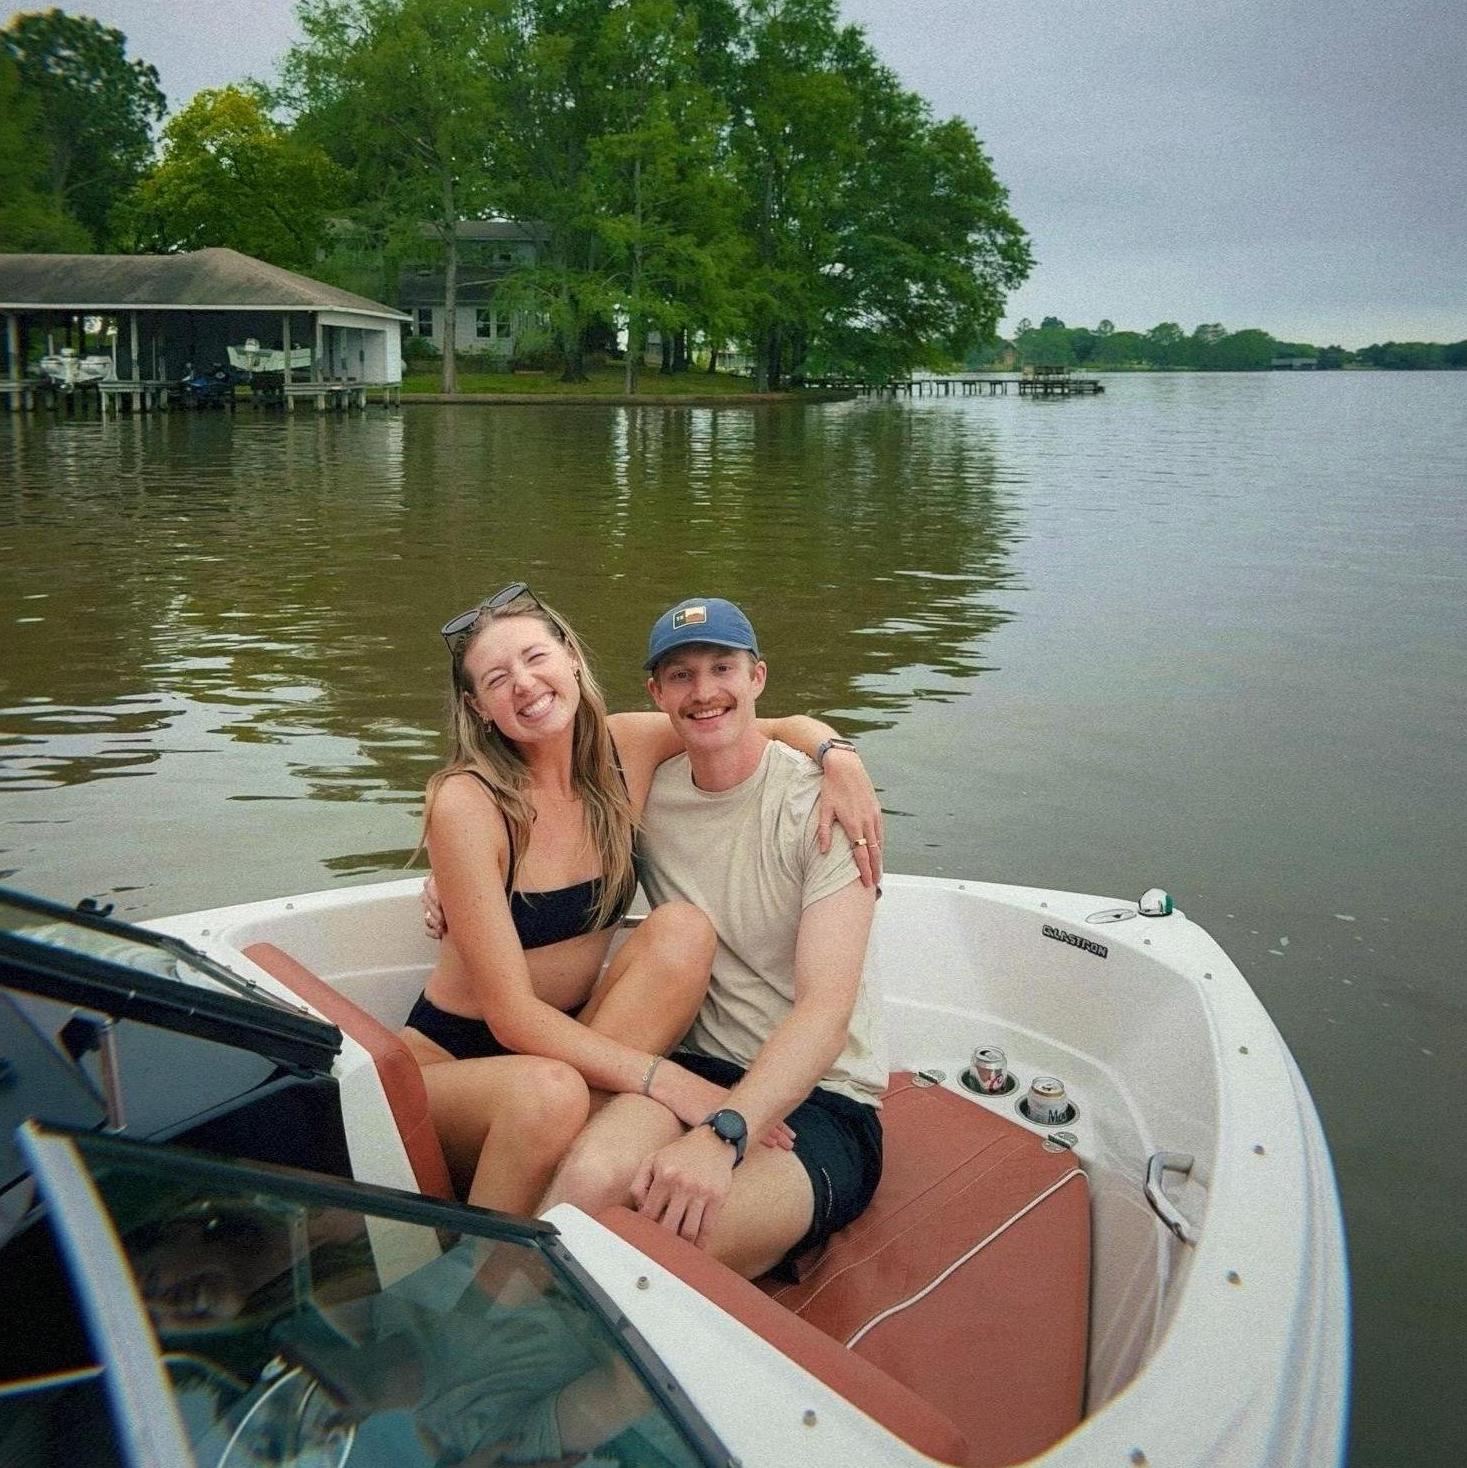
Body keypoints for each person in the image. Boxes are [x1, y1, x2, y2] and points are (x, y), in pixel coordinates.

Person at [405, 583, 882, 1216]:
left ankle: (554, 1229)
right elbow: (511, 1017)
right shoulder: (470, 801)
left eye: (535, 657)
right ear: (479, 707)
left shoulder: (624, 748)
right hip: (460, 1059)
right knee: (547, 1094)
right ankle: (471, 1266)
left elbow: (741, 720)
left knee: (681, 929)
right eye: (498, 678)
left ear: (572, 658)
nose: (523, 683)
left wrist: (838, 755)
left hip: (566, 1041)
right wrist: (672, 1082)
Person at [539, 597, 888, 1280]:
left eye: (721, 668)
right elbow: (534, 820)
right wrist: (449, 884)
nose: (703, 692)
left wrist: (726, 1134)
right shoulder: (643, 791)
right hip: (696, 1070)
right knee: (585, 1176)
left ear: (756, 677)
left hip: (821, 1101)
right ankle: (471, 1344)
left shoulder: (825, 805)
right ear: (655, 693)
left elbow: (825, 1012)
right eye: (680, 675)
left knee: (652, 1250)